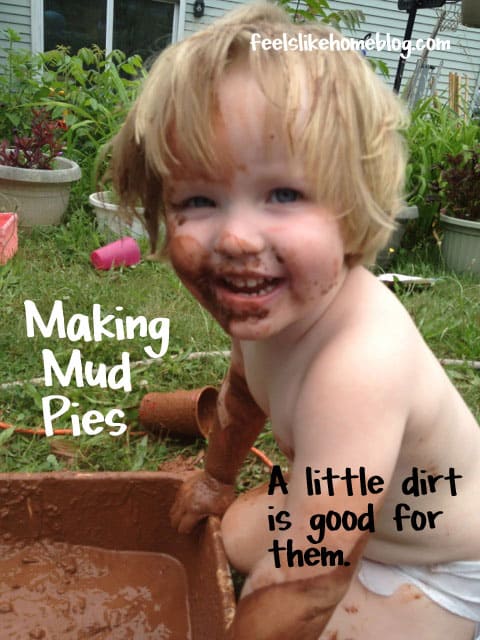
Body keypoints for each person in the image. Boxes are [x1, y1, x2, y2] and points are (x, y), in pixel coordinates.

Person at [108, 3, 480, 638]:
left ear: (353, 205)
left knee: (300, 605)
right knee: (224, 540)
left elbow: (307, 583)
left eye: (284, 195)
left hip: (440, 565)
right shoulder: (272, 312)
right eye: (197, 200)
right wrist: (215, 479)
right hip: (351, 513)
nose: (236, 238)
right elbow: (243, 395)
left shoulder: (357, 369)